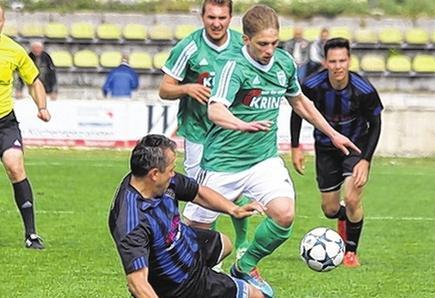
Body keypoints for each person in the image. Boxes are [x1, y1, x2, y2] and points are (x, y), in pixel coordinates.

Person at [183, 5, 360, 297]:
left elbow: (300, 102)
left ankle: (246, 265)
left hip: (262, 161)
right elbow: (215, 111)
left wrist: (332, 133)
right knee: (191, 236)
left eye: (274, 43)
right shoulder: (233, 66)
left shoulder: (284, 63)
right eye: (263, 44)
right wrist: (242, 125)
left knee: (284, 214)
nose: (269, 50)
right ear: (246, 40)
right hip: (222, 164)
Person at [108, 134, 266, 298]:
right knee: (255, 295)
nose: (173, 174)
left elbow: (197, 192)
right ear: (154, 174)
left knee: (225, 244)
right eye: (170, 169)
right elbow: (137, 283)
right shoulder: (131, 222)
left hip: (189, 243)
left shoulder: (159, 181)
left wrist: (234, 210)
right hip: (180, 284)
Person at [159, 0, 250, 257]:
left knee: (235, 187)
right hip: (198, 133)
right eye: (211, 17)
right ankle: (199, 250)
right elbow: (164, 89)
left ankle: (240, 245)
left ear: (231, 18)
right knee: (200, 195)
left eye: (222, 17)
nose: (216, 23)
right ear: (202, 17)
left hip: (230, 133)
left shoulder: (242, 46)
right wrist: (186, 88)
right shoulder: (188, 47)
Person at [290, 38, 383, 268]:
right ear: (325, 62)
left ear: (349, 60)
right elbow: (297, 111)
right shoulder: (312, 85)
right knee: (330, 209)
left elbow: (376, 124)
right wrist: (295, 146)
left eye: (342, 60)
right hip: (325, 148)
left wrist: (365, 160)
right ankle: (344, 218)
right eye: (333, 61)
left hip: (355, 148)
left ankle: (351, 251)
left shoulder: (364, 90)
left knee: (352, 198)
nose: (338, 66)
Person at [0, 5, 51, 249]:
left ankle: (31, 234)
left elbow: (33, 80)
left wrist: (42, 106)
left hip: (4, 122)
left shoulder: (12, 50)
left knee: (14, 165)